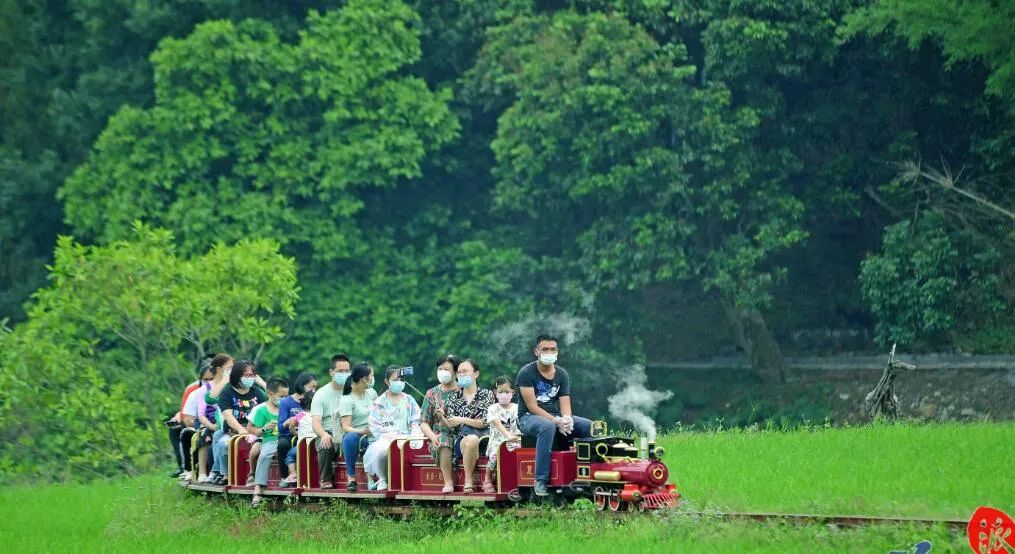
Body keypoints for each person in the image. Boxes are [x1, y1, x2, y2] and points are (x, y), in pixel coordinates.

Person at [516, 334, 592, 496]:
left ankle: (587, 475)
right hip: (528, 418)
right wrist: (555, 421)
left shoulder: (562, 374)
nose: (549, 352)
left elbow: (565, 403)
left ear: (557, 351)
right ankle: (541, 480)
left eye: (553, 349)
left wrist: (567, 420)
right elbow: (532, 407)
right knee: (547, 426)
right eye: (545, 349)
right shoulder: (526, 373)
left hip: (554, 417)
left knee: (587, 426)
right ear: (536, 351)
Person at [364, 365, 422, 491]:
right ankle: (382, 479)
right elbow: (374, 425)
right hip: (386, 438)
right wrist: (389, 436)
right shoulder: (379, 403)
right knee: (380, 451)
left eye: (401, 379)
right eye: (395, 379)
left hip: (407, 437)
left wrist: (414, 435)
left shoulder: (409, 400)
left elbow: (416, 420)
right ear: (387, 381)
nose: (399, 382)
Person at [213, 359, 267, 486]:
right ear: (237, 376)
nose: (250, 378)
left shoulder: (257, 393)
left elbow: (272, 402)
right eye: (246, 375)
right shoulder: (227, 393)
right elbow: (228, 415)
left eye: (252, 375)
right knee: (222, 445)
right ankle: (226, 475)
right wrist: (240, 429)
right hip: (234, 432)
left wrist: (263, 383)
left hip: (255, 431)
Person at [445, 359, 494, 493]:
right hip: (462, 440)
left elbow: (484, 422)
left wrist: (461, 419)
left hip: (485, 438)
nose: (461, 374)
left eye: (465, 371)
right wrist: (443, 417)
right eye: (459, 372)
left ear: (476, 374)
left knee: (476, 438)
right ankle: (468, 480)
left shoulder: (487, 394)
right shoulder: (453, 397)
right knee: (471, 439)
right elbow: (452, 425)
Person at [420, 354, 460, 493]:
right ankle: (448, 482)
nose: (443, 372)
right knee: (443, 439)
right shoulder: (431, 393)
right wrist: (432, 436)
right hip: (439, 436)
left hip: (461, 433)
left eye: (447, 369)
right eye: (440, 369)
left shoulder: (463, 391)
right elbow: (424, 422)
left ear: (455, 372)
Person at [310, 354, 351, 488]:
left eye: (347, 371)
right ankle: (325, 480)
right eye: (340, 371)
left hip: (349, 430)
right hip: (328, 431)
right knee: (325, 444)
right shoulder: (321, 394)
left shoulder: (353, 391)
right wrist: (323, 435)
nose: (344, 374)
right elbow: (316, 422)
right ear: (331, 372)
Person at [248, 377, 288, 507]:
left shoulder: (287, 408)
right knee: (264, 454)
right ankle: (258, 487)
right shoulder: (261, 410)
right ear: (270, 394)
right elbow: (253, 429)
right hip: (270, 439)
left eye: (286, 396)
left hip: (287, 438)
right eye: (281, 396)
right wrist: (265, 428)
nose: (284, 399)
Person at [338, 364, 378, 491]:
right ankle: (351, 478)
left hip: (376, 431)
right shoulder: (347, 399)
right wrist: (363, 431)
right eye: (371, 376)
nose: (373, 379)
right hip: (359, 435)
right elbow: (346, 427)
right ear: (363, 379)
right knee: (350, 438)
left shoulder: (372, 394)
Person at [181, 359, 219, 483]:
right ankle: (202, 472)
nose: (208, 382)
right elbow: (188, 419)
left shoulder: (224, 391)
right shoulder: (197, 394)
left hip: (220, 423)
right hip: (202, 424)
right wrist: (207, 423)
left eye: (211, 379)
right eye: (205, 379)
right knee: (204, 433)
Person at [277, 371, 317, 484]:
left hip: (307, 436)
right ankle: (285, 476)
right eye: (312, 386)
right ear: (302, 385)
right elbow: (280, 428)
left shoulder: (315, 400)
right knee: (283, 444)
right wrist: (288, 423)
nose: (314, 389)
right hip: (291, 435)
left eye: (315, 387)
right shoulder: (286, 402)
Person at [482, 376, 520, 493]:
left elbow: (521, 423)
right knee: (494, 455)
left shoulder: (517, 408)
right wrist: (508, 435)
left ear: (512, 392)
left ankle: (517, 479)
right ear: (495, 393)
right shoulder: (493, 408)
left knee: (522, 453)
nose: (504, 394)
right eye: (501, 392)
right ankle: (487, 478)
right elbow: (497, 424)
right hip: (497, 441)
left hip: (514, 440)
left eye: (507, 392)